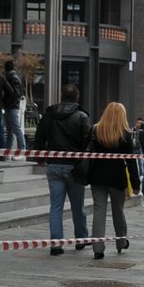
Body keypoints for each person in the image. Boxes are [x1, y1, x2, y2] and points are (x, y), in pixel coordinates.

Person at [32, 83, 91, 255]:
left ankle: (56, 244)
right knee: (77, 205)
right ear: (77, 97)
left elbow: (39, 137)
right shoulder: (81, 116)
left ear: (61, 96)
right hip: (75, 166)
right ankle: (81, 239)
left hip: (54, 164)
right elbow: (87, 141)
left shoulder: (49, 116)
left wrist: (40, 157)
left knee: (56, 206)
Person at [87, 102, 142, 258]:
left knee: (99, 211)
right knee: (118, 210)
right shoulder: (125, 134)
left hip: (97, 176)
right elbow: (131, 161)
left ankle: (98, 248)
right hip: (117, 177)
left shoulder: (96, 130)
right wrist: (136, 183)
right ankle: (121, 241)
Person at [2, 62, 27, 156]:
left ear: (5, 69)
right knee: (11, 130)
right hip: (13, 106)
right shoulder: (14, 77)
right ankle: (8, 150)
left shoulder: (11, 78)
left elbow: (14, 93)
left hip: (12, 106)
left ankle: (22, 149)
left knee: (15, 129)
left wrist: (6, 103)